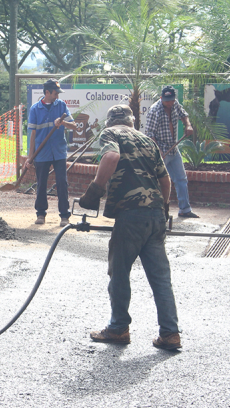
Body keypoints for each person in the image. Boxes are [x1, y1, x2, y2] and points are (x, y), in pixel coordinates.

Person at [78, 104, 181, 351]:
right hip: (155, 215)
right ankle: (170, 333)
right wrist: (163, 208)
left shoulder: (111, 133)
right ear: (131, 121)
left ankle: (118, 328)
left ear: (110, 122)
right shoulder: (147, 141)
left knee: (120, 273)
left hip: (130, 215)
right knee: (161, 279)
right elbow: (165, 180)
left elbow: (111, 157)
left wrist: (95, 190)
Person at [23, 78, 78, 227]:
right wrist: (30, 157)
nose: (57, 96)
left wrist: (62, 123)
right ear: (47, 92)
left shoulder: (61, 105)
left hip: (59, 151)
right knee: (41, 183)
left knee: (62, 183)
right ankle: (41, 213)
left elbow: (74, 126)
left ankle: (64, 215)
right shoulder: (35, 109)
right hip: (41, 153)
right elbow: (32, 134)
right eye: (55, 93)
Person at [145, 85, 199, 219]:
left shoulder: (175, 104)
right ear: (161, 98)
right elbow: (150, 134)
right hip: (161, 150)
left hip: (174, 149)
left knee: (181, 178)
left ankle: (185, 209)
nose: (169, 103)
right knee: (158, 181)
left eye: (171, 100)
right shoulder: (154, 110)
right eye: (167, 101)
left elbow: (184, 115)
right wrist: (158, 151)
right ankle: (156, 211)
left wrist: (188, 125)